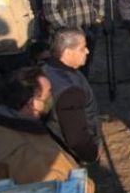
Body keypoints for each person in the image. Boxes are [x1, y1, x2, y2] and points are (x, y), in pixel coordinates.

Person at [42, 28, 101, 163]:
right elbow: (76, 138)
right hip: (69, 155)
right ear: (67, 52)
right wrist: (91, 153)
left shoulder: (48, 68)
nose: (87, 51)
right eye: (82, 48)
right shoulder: (69, 91)